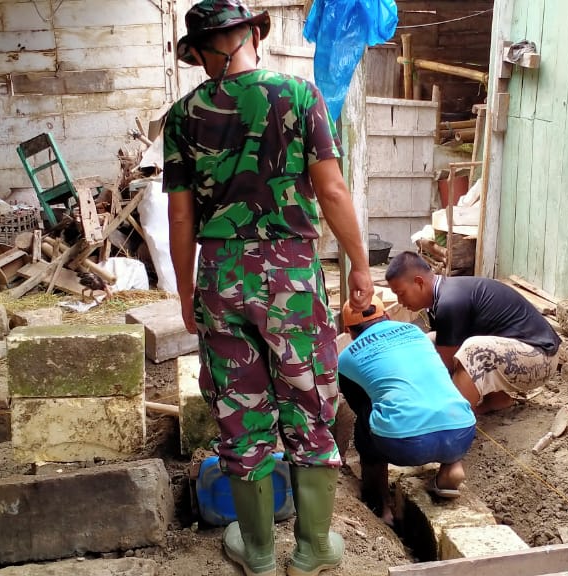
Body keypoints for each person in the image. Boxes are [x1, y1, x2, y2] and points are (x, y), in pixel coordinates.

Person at [163, 1, 374, 575]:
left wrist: (186, 292)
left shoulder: (181, 117)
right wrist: (360, 263)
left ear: (207, 51)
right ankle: (312, 551)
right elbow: (330, 191)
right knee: (308, 406)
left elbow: (181, 220)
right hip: (292, 276)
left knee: (240, 412)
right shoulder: (300, 96)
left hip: (221, 277)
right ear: (253, 35)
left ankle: (256, 552)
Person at [337, 295, 476, 524]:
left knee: (367, 414)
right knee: (437, 391)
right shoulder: (418, 335)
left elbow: (356, 403)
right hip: (461, 431)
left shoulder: (347, 357)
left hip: (403, 444)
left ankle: (381, 507)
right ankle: (452, 466)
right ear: (388, 316)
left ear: (348, 331)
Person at [385, 251, 561, 415]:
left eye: (401, 293)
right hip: (520, 352)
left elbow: (447, 366)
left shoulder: (449, 302)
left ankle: (455, 419)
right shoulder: (443, 296)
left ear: (419, 282)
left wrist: (431, 403)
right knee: (429, 340)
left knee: (473, 350)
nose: (400, 301)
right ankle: (497, 400)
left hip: (542, 358)